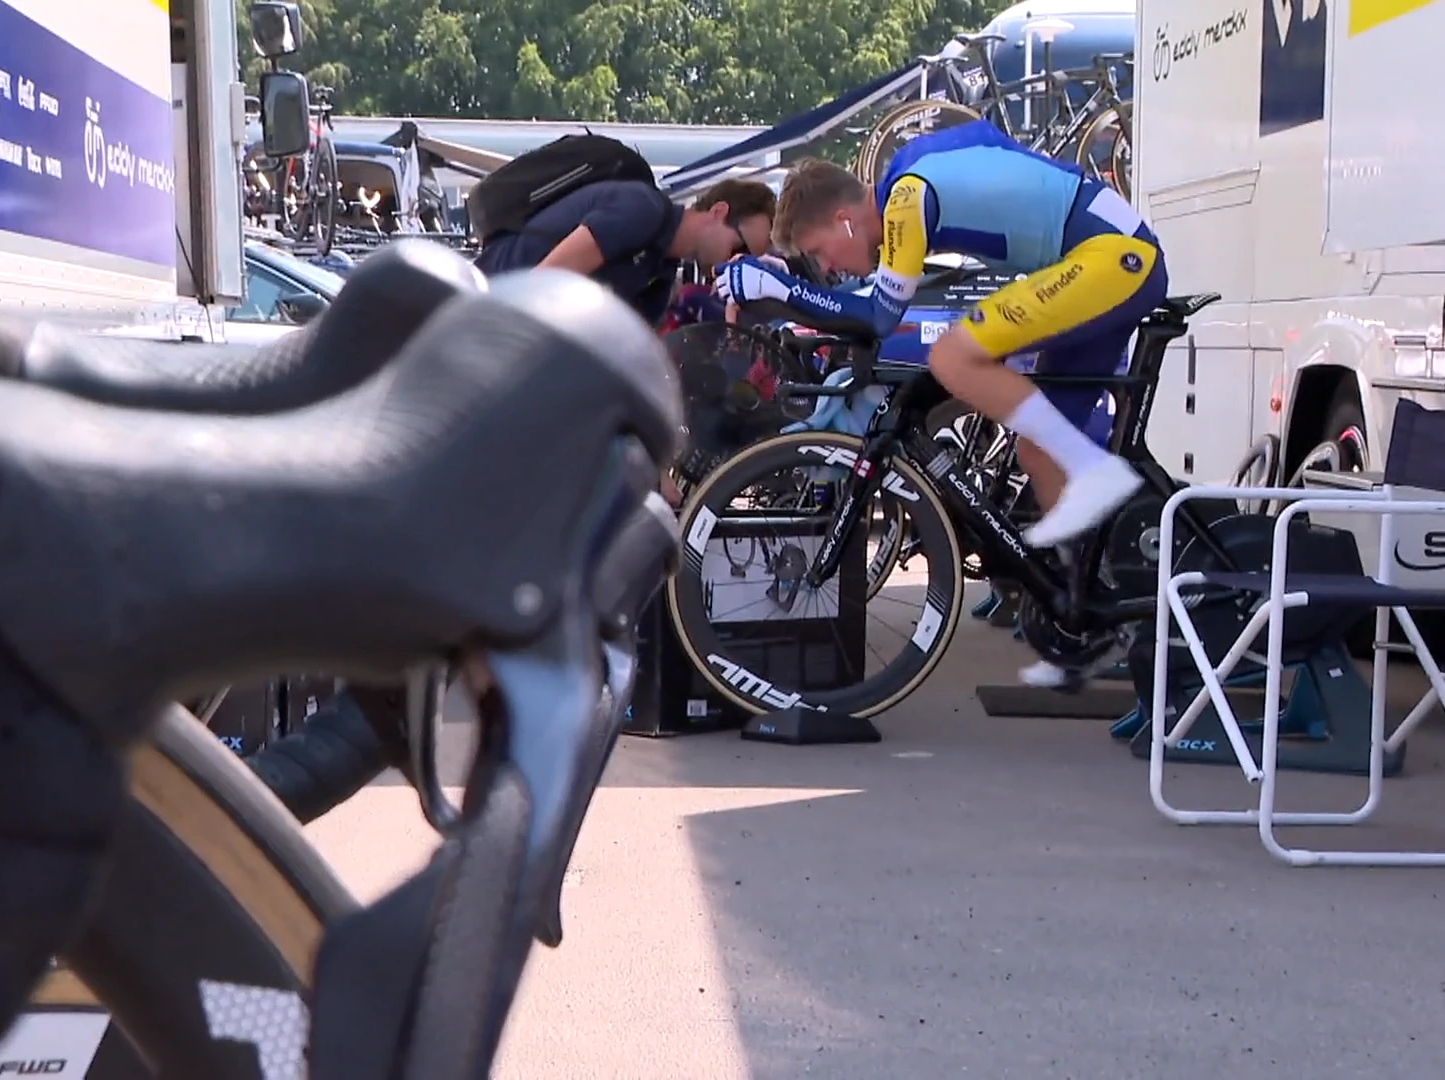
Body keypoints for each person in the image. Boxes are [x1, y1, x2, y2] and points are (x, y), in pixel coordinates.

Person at [714, 120, 1169, 687]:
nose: (826, 267)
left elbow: (879, 317)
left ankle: (1093, 470)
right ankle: (1091, 619)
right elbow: (986, 137)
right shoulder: (913, 170)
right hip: (1095, 255)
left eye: (819, 252)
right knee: (1035, 454)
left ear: (844, 219)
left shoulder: (905, 199)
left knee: (954, 357)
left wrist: (780, 291)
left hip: (1110, 256)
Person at [474, 176, 777, 327]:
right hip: (488, 308)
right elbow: (540, 283)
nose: (735, 261)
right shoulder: (639, 209)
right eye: (740, 247)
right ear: (719, 211)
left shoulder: (660, 274)